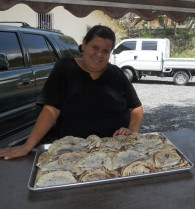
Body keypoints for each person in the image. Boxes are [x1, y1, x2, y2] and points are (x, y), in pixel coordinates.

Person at [0, 25, 143, 160]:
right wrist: (27, 146)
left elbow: (136, 107)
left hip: (114, 150)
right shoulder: (65, 68)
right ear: (84, 45)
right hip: (72, 152)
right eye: (95, 47)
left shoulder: (116, 73)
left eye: (106, 51)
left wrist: (132, 131)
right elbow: (51, 110)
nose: (99, 54)